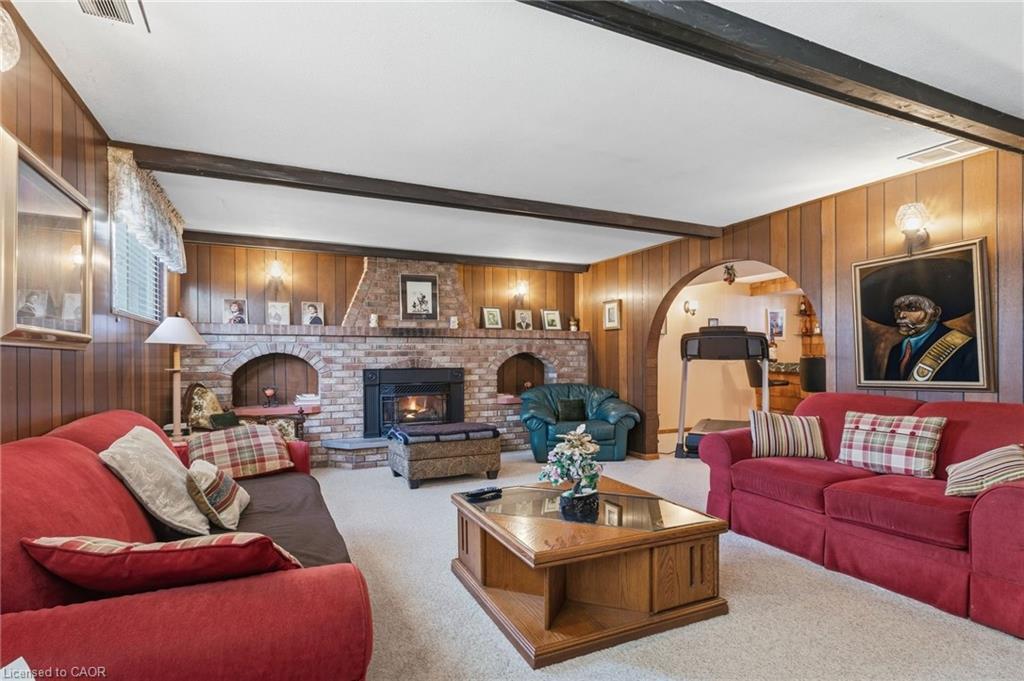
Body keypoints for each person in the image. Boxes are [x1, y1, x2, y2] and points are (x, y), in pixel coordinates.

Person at [882, 294, 978, 382]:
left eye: (912, 309)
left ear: (935, 313)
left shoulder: (966, 347)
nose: (901, 315)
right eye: (897, 310)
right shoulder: (896, 350)